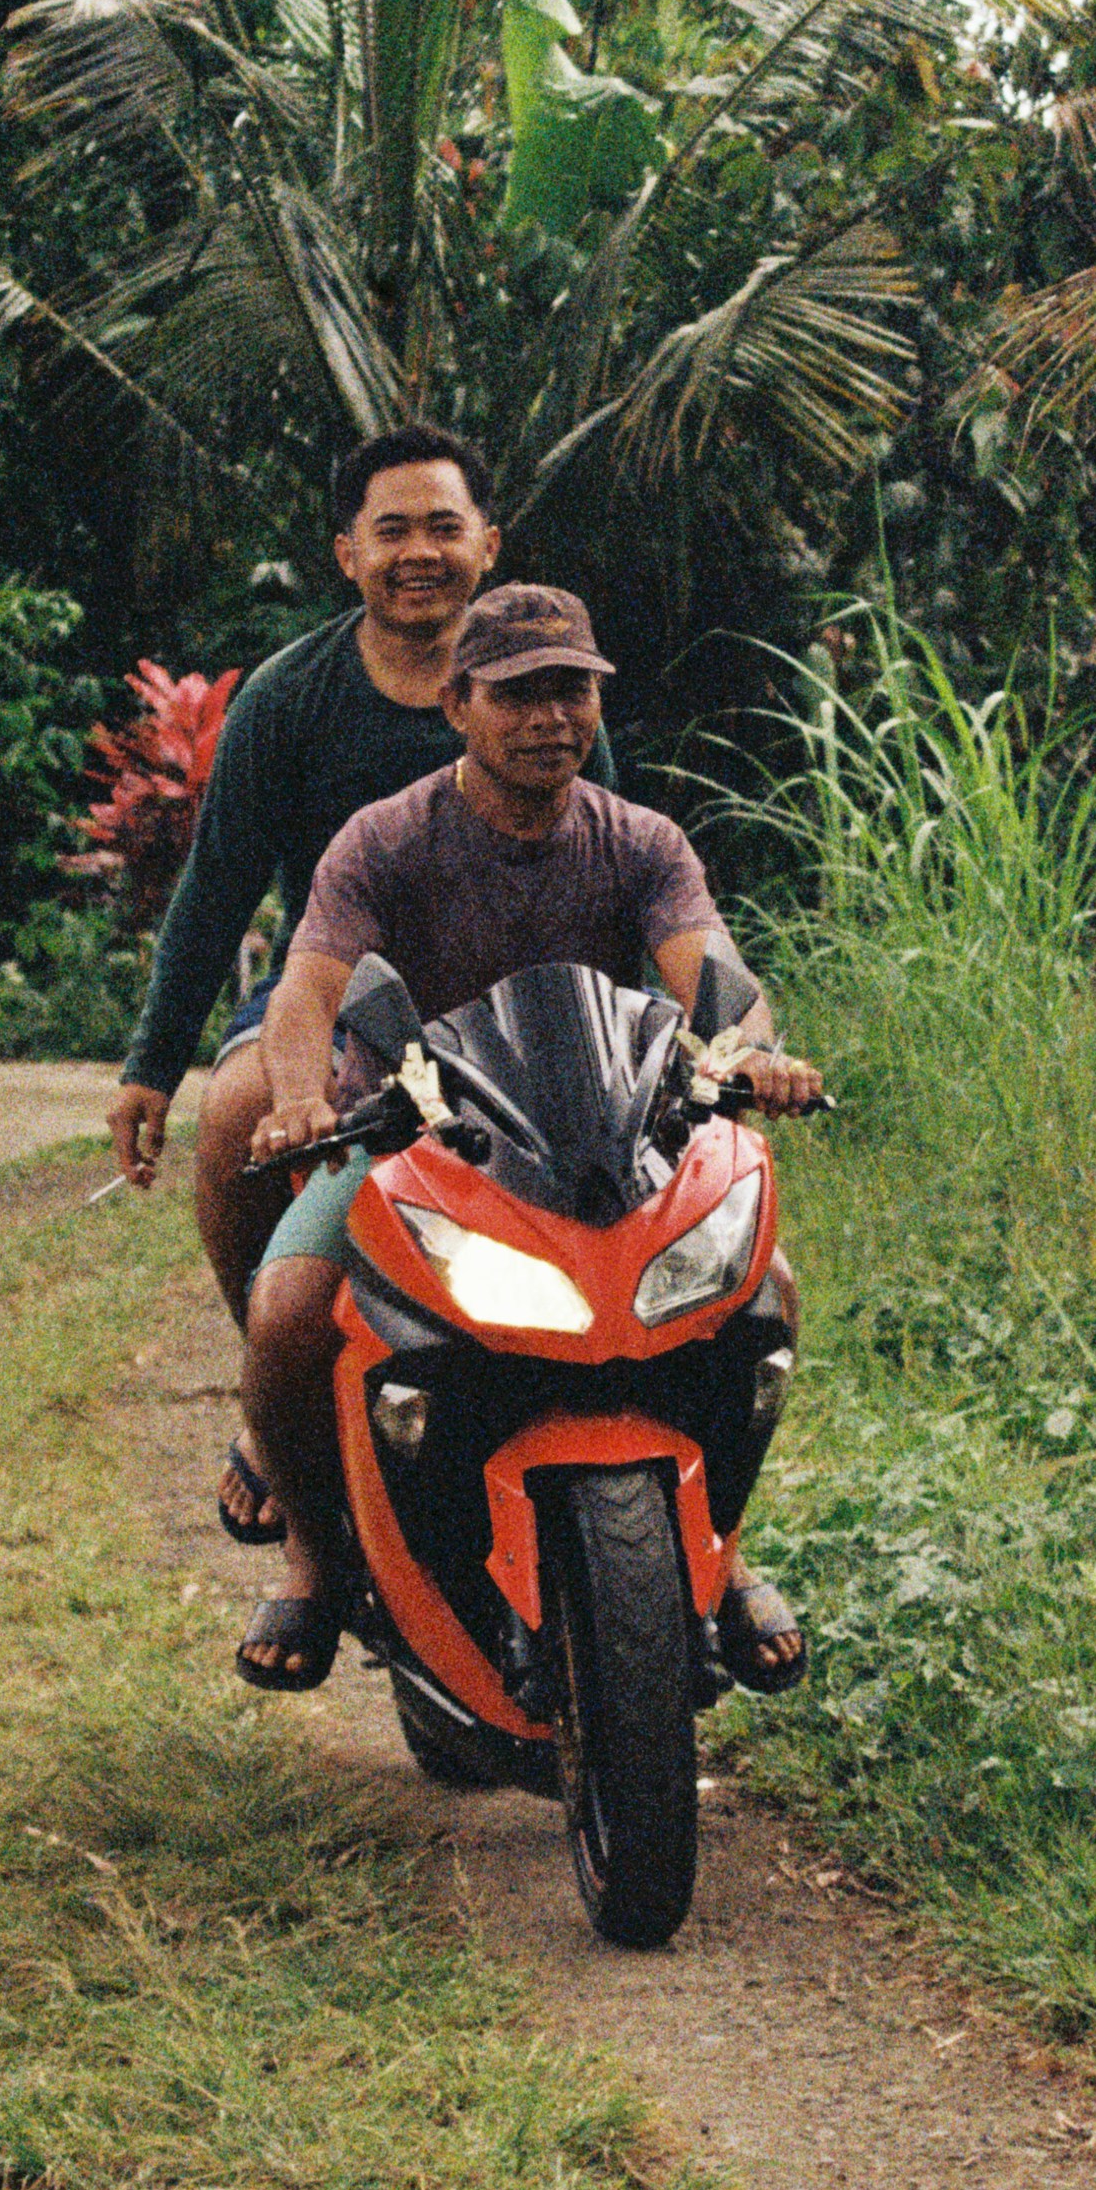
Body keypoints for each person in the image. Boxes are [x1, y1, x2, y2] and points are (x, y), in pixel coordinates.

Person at [225, 581, 825, 1694]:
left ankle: (722, 1556)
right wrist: (302, 1095)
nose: (551, 717)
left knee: (763, 1294)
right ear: (457, 704)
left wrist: (747, 1056)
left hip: (607, 1146)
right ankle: (311, 1559)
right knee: (288, 1311)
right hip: (408, 1142)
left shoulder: (642, 842)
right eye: (519, 695)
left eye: (572, 692)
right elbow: (309, 990)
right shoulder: (383, 841)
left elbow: (713, 977)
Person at [100, 425, 601, 1549]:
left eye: (443, 526)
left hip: (515, 1003)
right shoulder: (290, 699)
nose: (419, 552)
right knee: (240, 1116)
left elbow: (617, 871)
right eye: (392, 531)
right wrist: (150, 1066)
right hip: (326, 993)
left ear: (489, 543)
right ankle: (281, 1400)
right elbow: (215, 889)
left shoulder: (550, 694)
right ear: (345, 554)